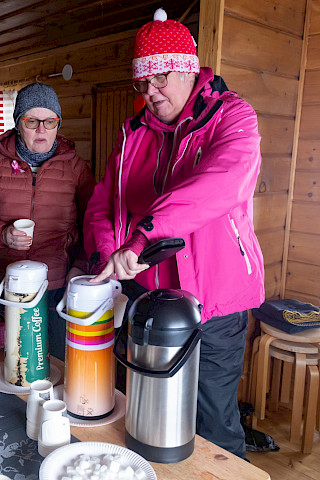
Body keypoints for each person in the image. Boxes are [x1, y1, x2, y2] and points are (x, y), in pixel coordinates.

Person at [83, 8, 265, 460]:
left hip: (215, 303)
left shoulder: (232, 117)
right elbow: (105, 204)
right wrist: (111, 252)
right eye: (142, 83)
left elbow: (219, 185)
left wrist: (144, 236)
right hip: (149, 301)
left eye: (160, 78)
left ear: (187, 67)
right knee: (144, 415)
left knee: (213, 423)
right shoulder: (132, 135)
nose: (151, 92)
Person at [0, 82, 96, 360]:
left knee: (52, 362)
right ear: (18, 123)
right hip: (3, 285)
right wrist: (2, 235)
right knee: (5, 361)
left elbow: (92, 226)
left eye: (50, 121)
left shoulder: (77, 169)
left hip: (55, 285)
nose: (42, 130)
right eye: (32, 121)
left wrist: (79, 266)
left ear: (58, 123)